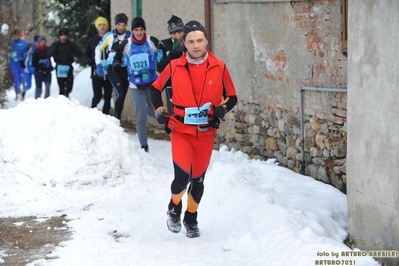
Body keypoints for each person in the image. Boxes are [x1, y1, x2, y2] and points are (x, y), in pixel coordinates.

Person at [151, 20, 238, 238]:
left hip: (206, 131)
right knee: (181, 178)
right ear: (185, 44)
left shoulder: (220, 67)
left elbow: (233, 96)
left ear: (206, 41)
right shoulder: (174, 66)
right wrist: (160, 110)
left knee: (198, 179)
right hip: (180, 129)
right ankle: (174, 206)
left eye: (199, 40)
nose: (196, 45)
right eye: (191, 41)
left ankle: (191, 216)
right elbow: (155, 89)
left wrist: (223, 108)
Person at [113, 17, 158, 152]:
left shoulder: (152, 42)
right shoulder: (127, 43)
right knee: (141, 115)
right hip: (135, 85)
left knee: (155, 111)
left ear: (144, 30)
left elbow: (161, 54)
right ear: (132, 31)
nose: (139, 33)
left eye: (141, 30)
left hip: (151, 83)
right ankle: (143, 145)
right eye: (136, 30)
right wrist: (116, 65)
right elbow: (117, 57)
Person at [95, 13, 131, 120]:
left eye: (123, 25)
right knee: (119, 93)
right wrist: (98, 65)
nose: (121, 27)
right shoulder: (109, 35)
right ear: (115, 25)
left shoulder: (130, 36)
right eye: (119, 25)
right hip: (113, 69)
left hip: (126, 69)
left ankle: (117, 119)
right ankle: (116, 120)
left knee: (122, 96)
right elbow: (98, 49)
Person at [156, 15, 185, 113]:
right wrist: (173, 54)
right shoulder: (163, 44)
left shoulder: (189, 42)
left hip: (188, 83)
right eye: (174, 33)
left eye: (180, 32)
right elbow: (160, 67)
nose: (177, 36)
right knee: (175, 114)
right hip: (172, 85)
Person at [84, 16, 113, 115]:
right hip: (97, 73)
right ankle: (92, 113)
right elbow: (86, 53)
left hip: (109, 72)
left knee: (108, 96)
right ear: (97, 27)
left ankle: (105, 115)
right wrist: (88, 60)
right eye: (100, 25)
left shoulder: (111, 39)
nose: (102, 27)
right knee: (97, 95)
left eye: (104, 24)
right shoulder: (92, 41)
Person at [47, 27, 83, 98]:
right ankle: (62, 99)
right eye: (62, 35)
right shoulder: (55, 45)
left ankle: (66, 94)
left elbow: (79, 53)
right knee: (61, 86)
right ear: (59, 36)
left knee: (69, 85)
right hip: (59, 67)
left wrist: (77, 53)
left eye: (65, 35)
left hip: (68, 66)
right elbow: (48, 54)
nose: (63, 37)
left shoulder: (70, 44)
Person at [9, 29, 29, 100]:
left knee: (21, 79)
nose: (15, 36)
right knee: (16, 78)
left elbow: (28, 51)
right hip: (13, 63)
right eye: (14, 35)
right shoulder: (11, 43)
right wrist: (8, 54)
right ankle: (16, 94)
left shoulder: (24, 43)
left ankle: (18, 88)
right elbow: (6, 51)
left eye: (17, 35)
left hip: (21, 64)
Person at [22, 34, 39, 100]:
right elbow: (24, 55)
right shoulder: (30, 46)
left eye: (38, 41)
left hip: (36, 69)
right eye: (36, 42)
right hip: (27, 69)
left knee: (38, 84)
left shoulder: (40, 48)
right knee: (29, 86)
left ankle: (36, 98)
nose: (38, 43)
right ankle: (23, 91)